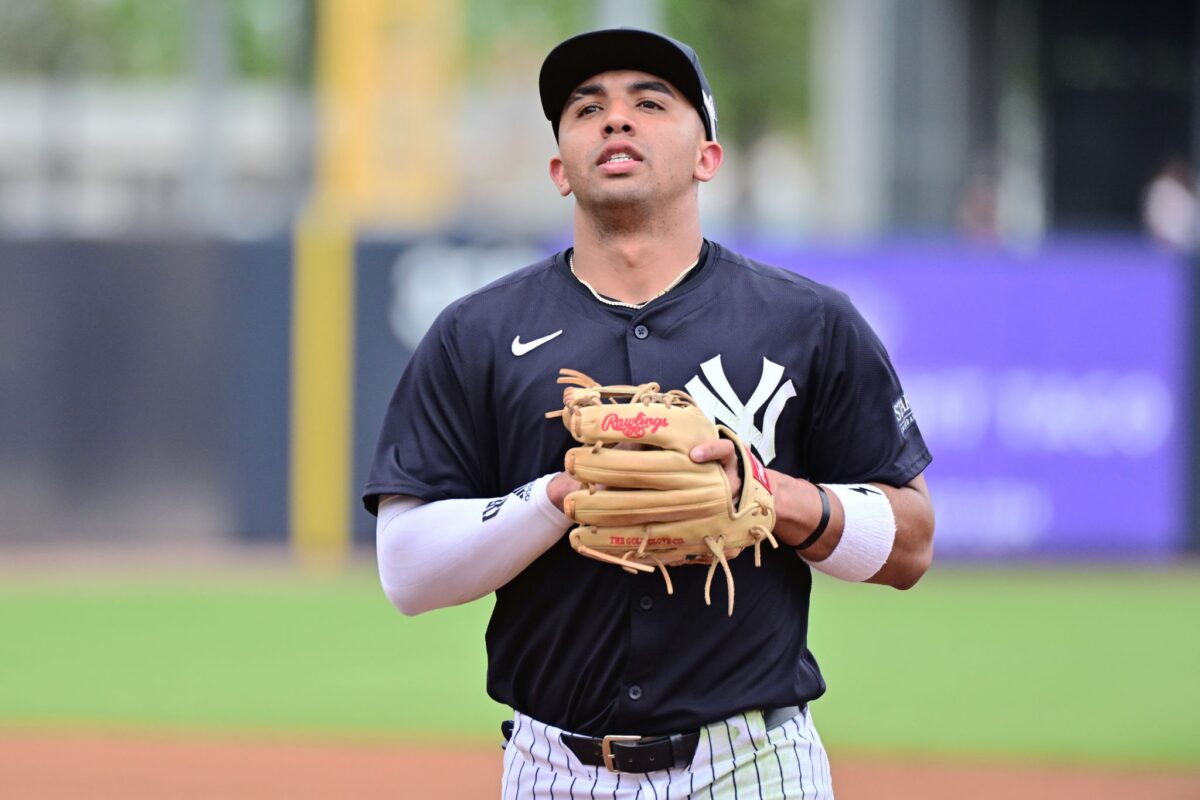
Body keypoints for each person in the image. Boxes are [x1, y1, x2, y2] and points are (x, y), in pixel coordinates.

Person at [365, 27, 935, 799]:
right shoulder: (478, 333)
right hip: (552, 771)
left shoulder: (810, 321)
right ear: (560, 169)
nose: (616, 119)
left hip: (754, 765)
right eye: (587, 107)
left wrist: (766, 496)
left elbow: (910, 545)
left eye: (651, 101)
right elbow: (405, 570)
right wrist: (556, 498)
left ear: (709, 157)